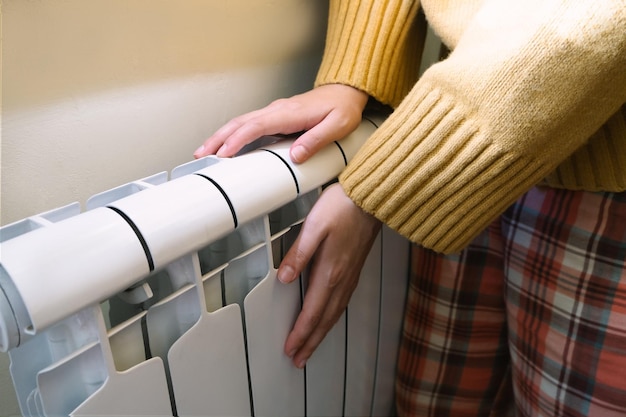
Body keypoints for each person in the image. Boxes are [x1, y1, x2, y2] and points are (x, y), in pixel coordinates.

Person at [195, 0, 626, 415]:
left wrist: (376, 193)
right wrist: (352, 74)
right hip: (465, 123)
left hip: (602, 178)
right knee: (433, 402)